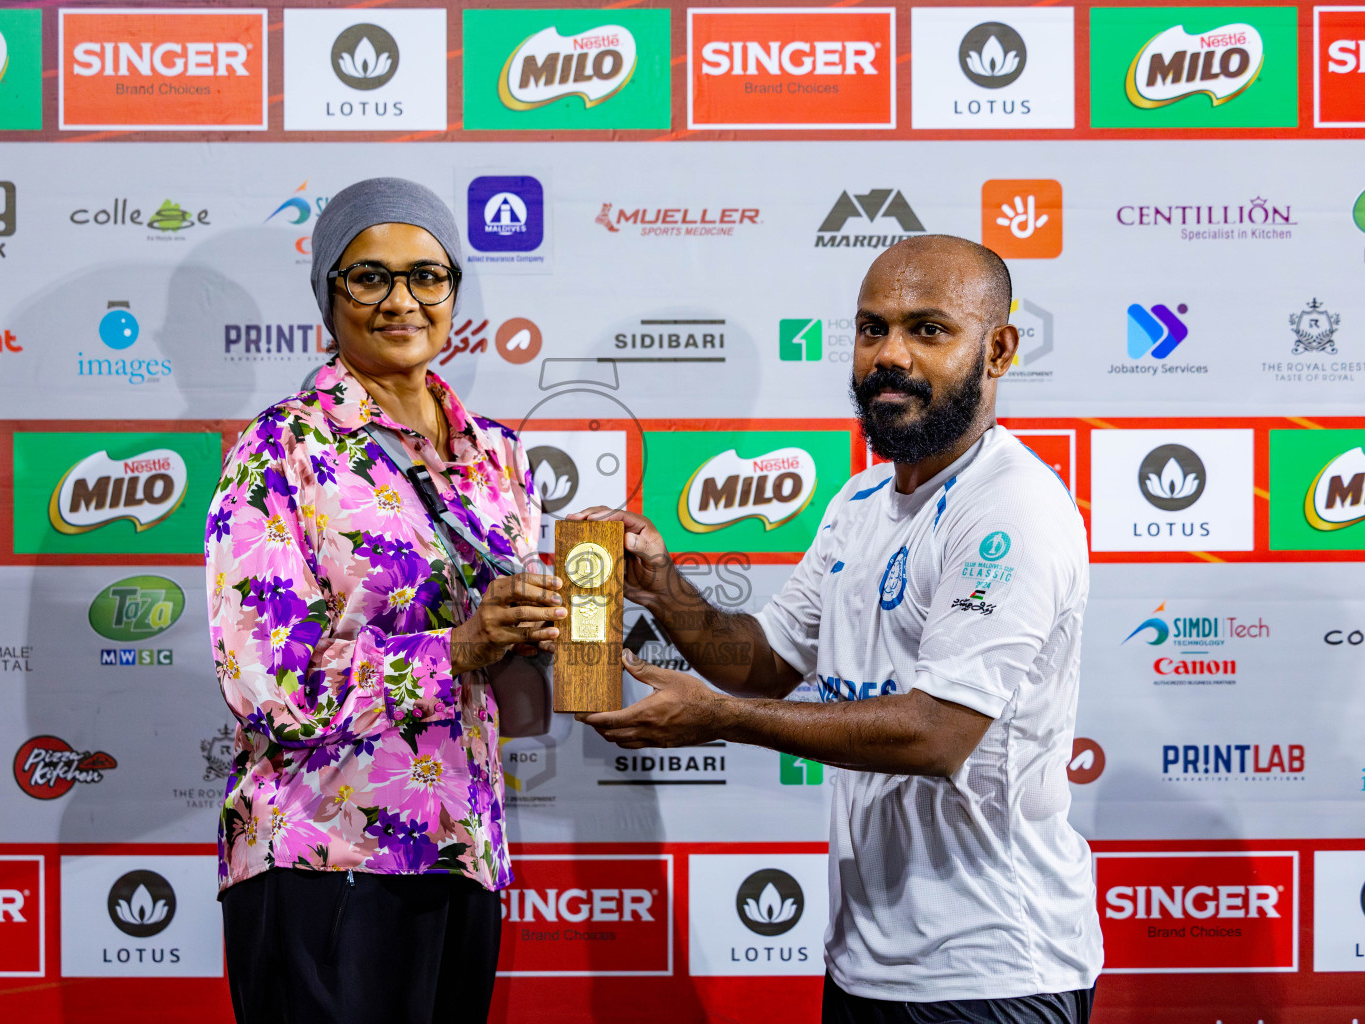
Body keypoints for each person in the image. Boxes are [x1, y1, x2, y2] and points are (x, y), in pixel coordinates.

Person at [574, 235, 1102, 1024]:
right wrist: (664, 590)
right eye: (871, 329)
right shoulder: (859, 502)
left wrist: (718, 721)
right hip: (866, 963)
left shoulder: (1011, 510)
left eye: (928, 330)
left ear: (998, 351)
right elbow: (766, 666)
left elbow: (937, 734)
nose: (890, 356)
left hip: (993, 972)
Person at [205, 177, 562, 1024]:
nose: (401, 300)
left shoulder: (499, 456)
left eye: (426, 276)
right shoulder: (280, 448)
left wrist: (561, 621)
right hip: (322, 855)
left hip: (460, 850)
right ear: (329, 293)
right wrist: (461, 647)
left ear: (453, 292)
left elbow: (514, 678)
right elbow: (269, 690)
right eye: (369, 277)